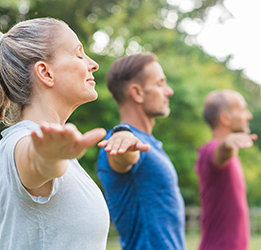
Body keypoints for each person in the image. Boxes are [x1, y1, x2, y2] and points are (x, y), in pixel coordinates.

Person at [0, 18, 110, 250]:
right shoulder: (21, 143)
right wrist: (47, 157)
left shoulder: (59, 152)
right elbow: (34, 161)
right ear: (45, 72)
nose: (93, 64)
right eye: (78, 54)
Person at [96, 52, 186, 250]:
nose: (169, 91)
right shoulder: (119, 143)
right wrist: (123, 137)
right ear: (137, 92)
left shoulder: (150, 143)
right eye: (160, 84)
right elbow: (124, 156)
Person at [195, 89, 258, 250]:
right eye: (243, 109)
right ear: (226, 118)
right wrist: (226, 142)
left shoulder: (231, 156)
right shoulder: (211, 150)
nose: (248, 115)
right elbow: (220, 152)